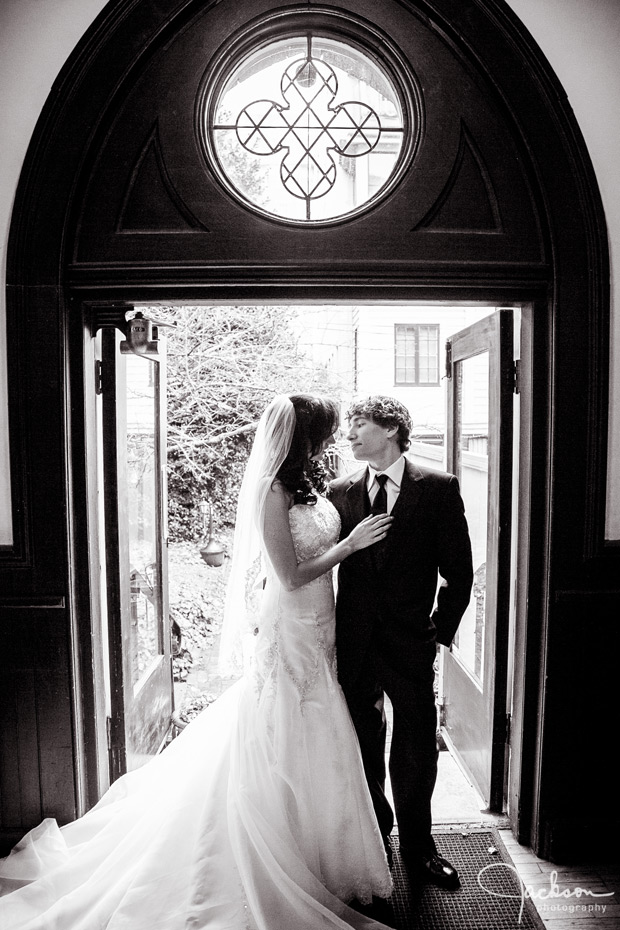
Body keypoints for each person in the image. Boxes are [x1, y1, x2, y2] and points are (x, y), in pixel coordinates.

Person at [0, 394, 397, 930]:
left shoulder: (309, 482)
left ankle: (323, 854)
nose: (335, 437)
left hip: (322, 626)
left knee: (321, 727)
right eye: (326, 429)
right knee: (282, 725)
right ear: (305, 435)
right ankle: (272, 851)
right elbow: (290, 574)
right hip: (293, 621)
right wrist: (349, 546)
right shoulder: (271, 491)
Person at [328, 396, 473, 891]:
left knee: (414, 748)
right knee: (362, 742)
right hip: (353, 644)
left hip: (411, 643)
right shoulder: (339, 491)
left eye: (360, 424)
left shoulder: (438, 488)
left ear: (391, 429)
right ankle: (375, 837)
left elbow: (458, 574)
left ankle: (419, 848)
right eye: (349, 426)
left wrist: (437, 632)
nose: (350, 435)